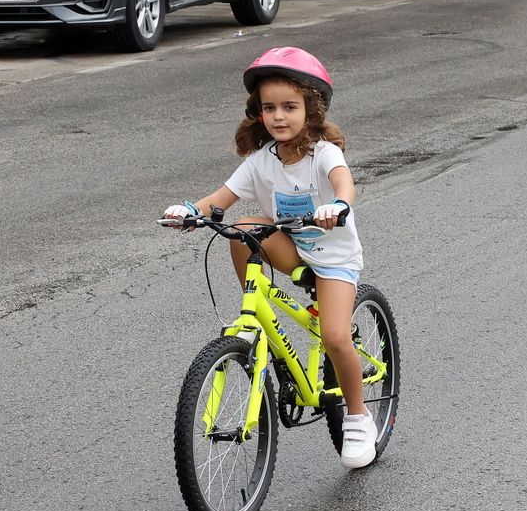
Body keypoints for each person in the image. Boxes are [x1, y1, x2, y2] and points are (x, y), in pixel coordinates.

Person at [161, 47, 376, 469]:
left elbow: (343, 182)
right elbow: (218, 200)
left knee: (334, 337)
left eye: (290, 107)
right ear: (258, 113)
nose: (279, 116)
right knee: (240, 229)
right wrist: (190, 211)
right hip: (293, 247)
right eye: (269, 108)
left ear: (311, 110)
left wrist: (340, 206)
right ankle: (254, 311)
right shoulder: (260, 161)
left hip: (332, 257)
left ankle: (357, 415)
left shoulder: (323, 154)